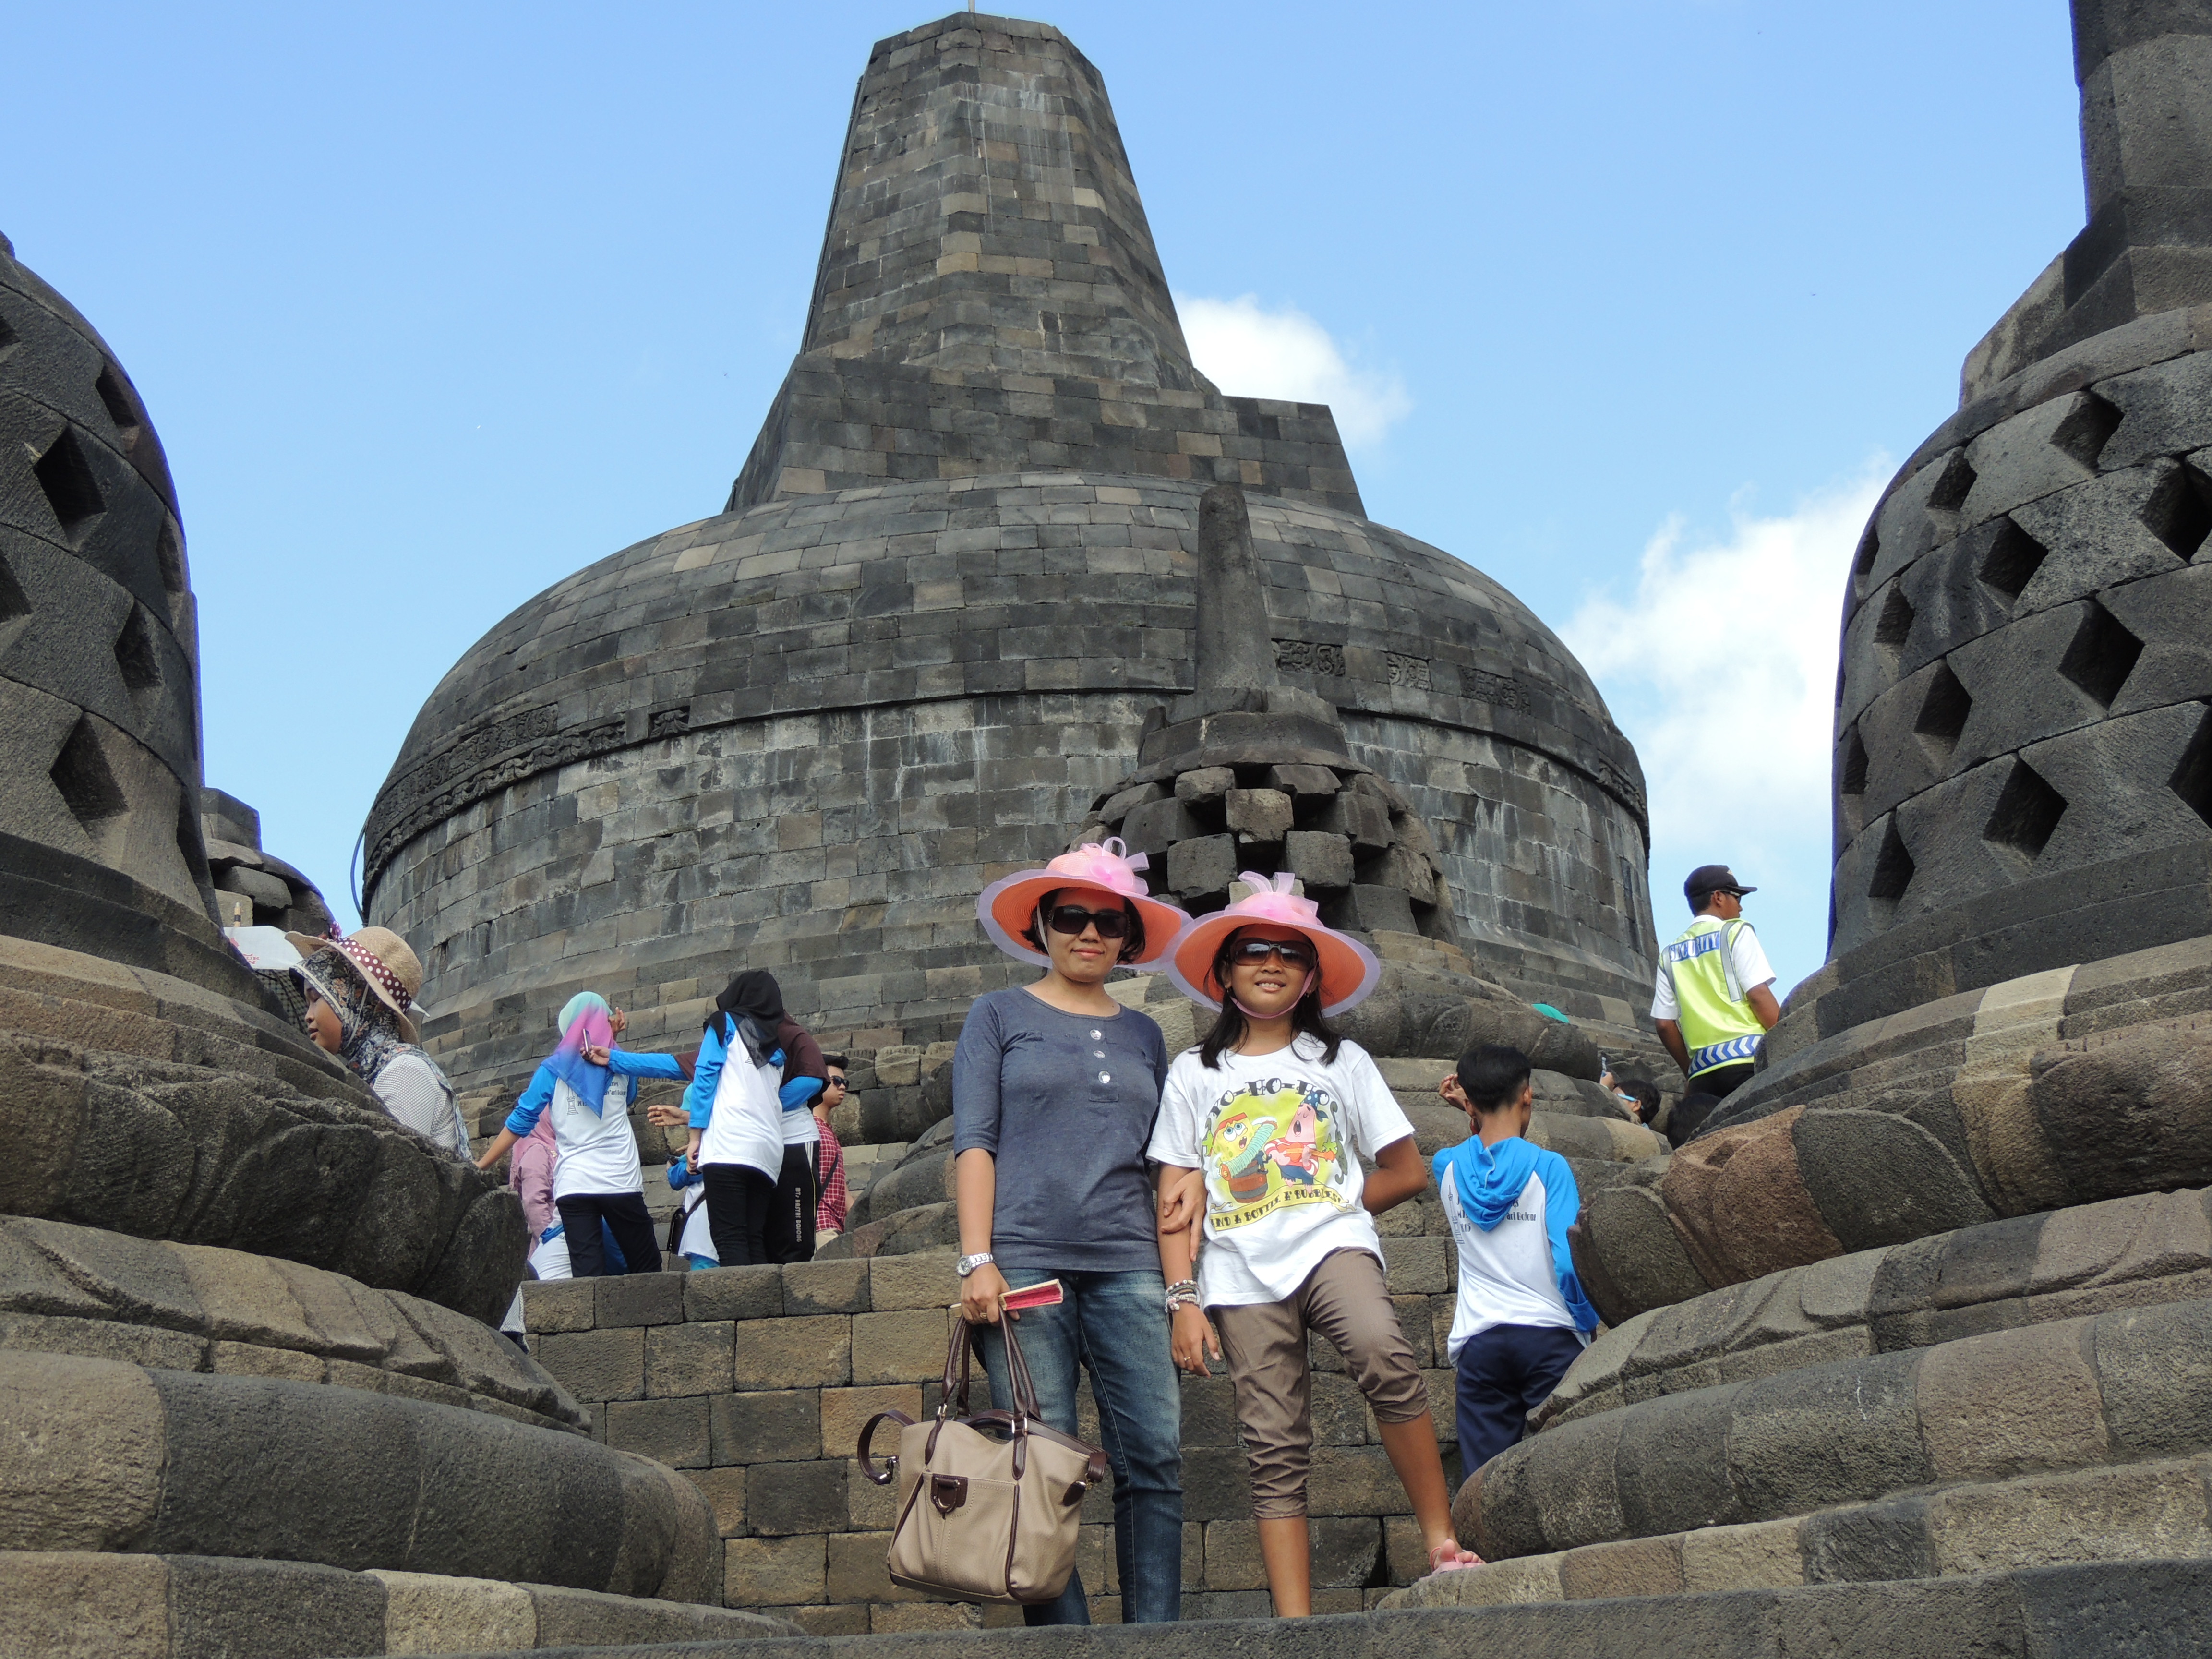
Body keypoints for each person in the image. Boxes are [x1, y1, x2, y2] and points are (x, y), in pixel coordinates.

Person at [1152, 872, 1482, 1617]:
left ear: (1311, 979)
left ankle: (1439, 1540)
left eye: (1290, 955)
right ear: (1224, 972)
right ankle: (1295, 1625)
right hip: (1236, 1272)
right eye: (1253, 951)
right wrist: (1183, 1299)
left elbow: (1403, 1171)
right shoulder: (1194, 1074)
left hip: (1333, 1247)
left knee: (1384, 1354)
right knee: (1271, 1444)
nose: (1271, 963)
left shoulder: (1341, 1063)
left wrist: (1329, 1204)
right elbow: (1174, 1199)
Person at [954, 837, 1190, 1626]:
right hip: (1023, 1263)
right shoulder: (997, 1014)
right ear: (1040, 928)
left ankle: (1154, 1639)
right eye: (1071, 917)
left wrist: (1184, 1286)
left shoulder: (1145, 1037)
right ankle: (1069, 1642)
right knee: (1040, 1466)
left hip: (1130, 1262)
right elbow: (974, 1142)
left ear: (1128, 939)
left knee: (1152, 1459)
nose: (1088, 933)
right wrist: (977, 1259)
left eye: (1107, 922)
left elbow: (1166, 1170)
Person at [1435, 1043, 1600, 1475]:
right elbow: (1567, 1262)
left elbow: (1481, 1158)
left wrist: (1471, 1111)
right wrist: (1586, 1322)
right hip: (1550, 1338)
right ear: (1527, 1094)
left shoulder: (1447, 1168)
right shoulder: (1549, 1168)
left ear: (1469, 1101)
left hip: (1480, 1343)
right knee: (1568, 1469)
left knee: (1486, 1482)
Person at [472, 993, 678, 1277]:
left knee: (587, 1273)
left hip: (574, 1185)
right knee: (646, 1266)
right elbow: (630, 1097)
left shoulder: (552, 1070)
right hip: (620, 1181)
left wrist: (482, 1164)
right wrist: (612, 1039)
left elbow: (520, 1121)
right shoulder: (620, 1064)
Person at [290, 926, 469, 1155]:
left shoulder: (403, 1072)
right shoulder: (376, 1070)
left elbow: (396, 1169)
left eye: (316, 999)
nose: (308, 1015)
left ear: (358, 1001)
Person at [665, 973, 792, 1267]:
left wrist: (695, 1137)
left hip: (729, 1145)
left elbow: (705, 1076)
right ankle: (764, 1307)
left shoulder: (724, 1025)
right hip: (768, 1152)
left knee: (729, 1237)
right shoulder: (777, 1052)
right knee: (753, 1237)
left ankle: (743, 1311)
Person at [1651, 864, 1780, 1102]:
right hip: (1749, 1061)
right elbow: (1758, 995)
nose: (1740, 906)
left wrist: (1692, 1071)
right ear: (1718, 897)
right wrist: (1786, 1041)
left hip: (1703, 1076)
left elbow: (1664, 1024)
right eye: (1737, 897)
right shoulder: (1735, 932)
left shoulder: (1669, 954)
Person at [814, 1055, 850, 1243]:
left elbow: (842, 1191)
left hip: (836, 1225)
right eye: (836, 1081)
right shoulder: (808, 1129)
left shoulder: (829, 1132)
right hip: (819, 1224)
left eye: (845, 1082)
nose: (842, 1087)